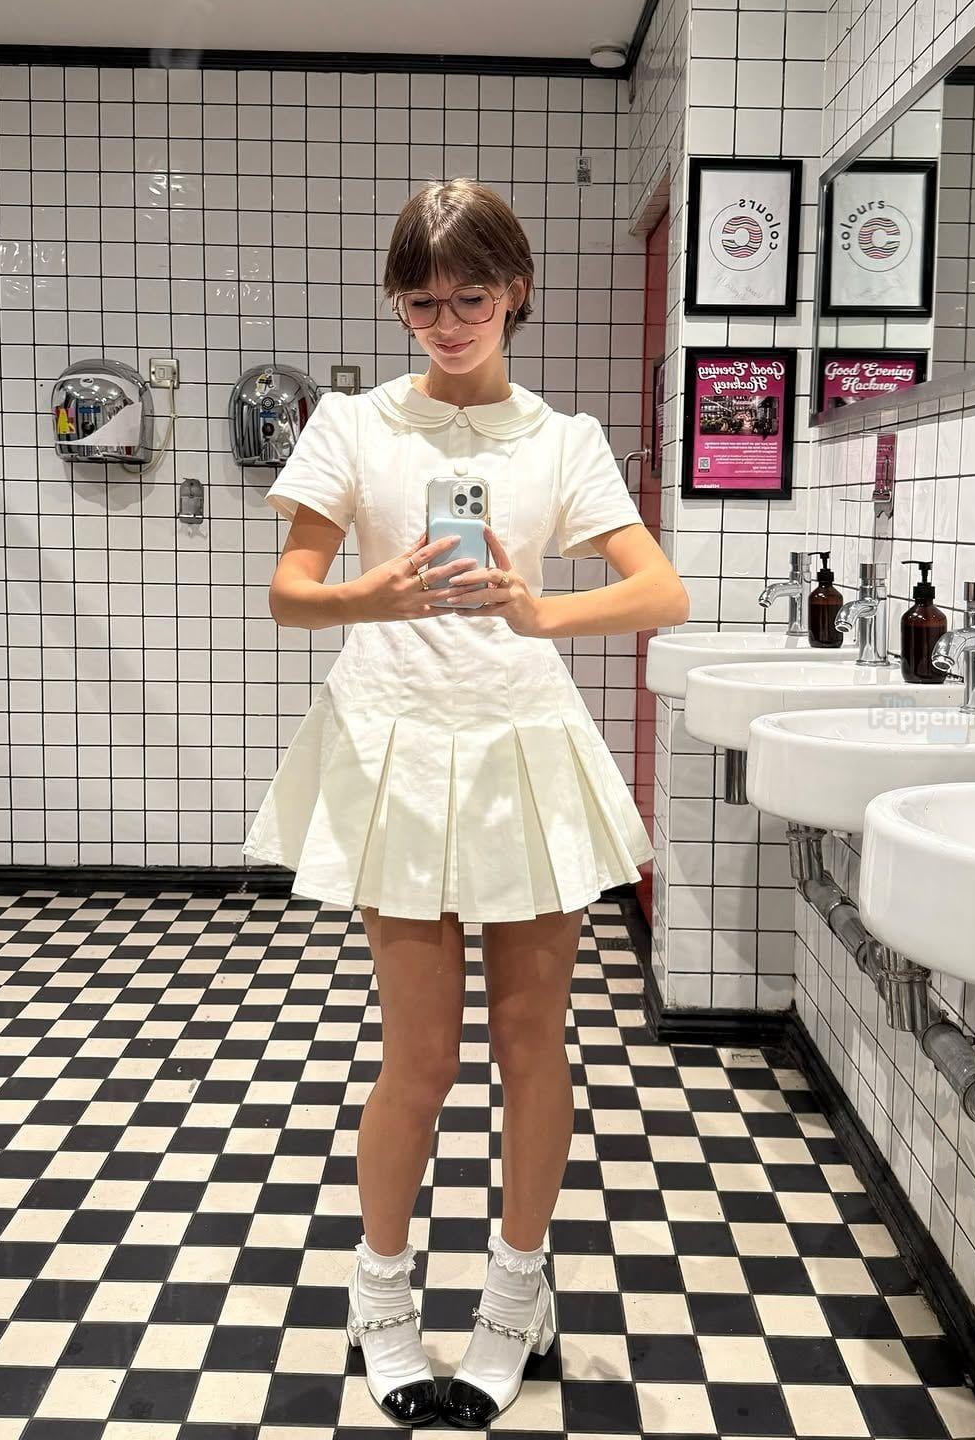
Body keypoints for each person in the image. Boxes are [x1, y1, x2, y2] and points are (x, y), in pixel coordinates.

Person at [243, 177, 689, 1428]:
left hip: (520, 745)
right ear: (400, 304)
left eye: (470, 299)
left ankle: (511, 1299)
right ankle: (381, 1296)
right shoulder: (355, 424)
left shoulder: (562, 438)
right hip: (393, 740)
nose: (445, 325)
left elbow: (660, 592)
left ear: (516, 293)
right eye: (422, 302)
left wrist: (541, 609)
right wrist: (371, 596)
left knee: (533, 1047)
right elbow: (289, 589)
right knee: (422, 1056)